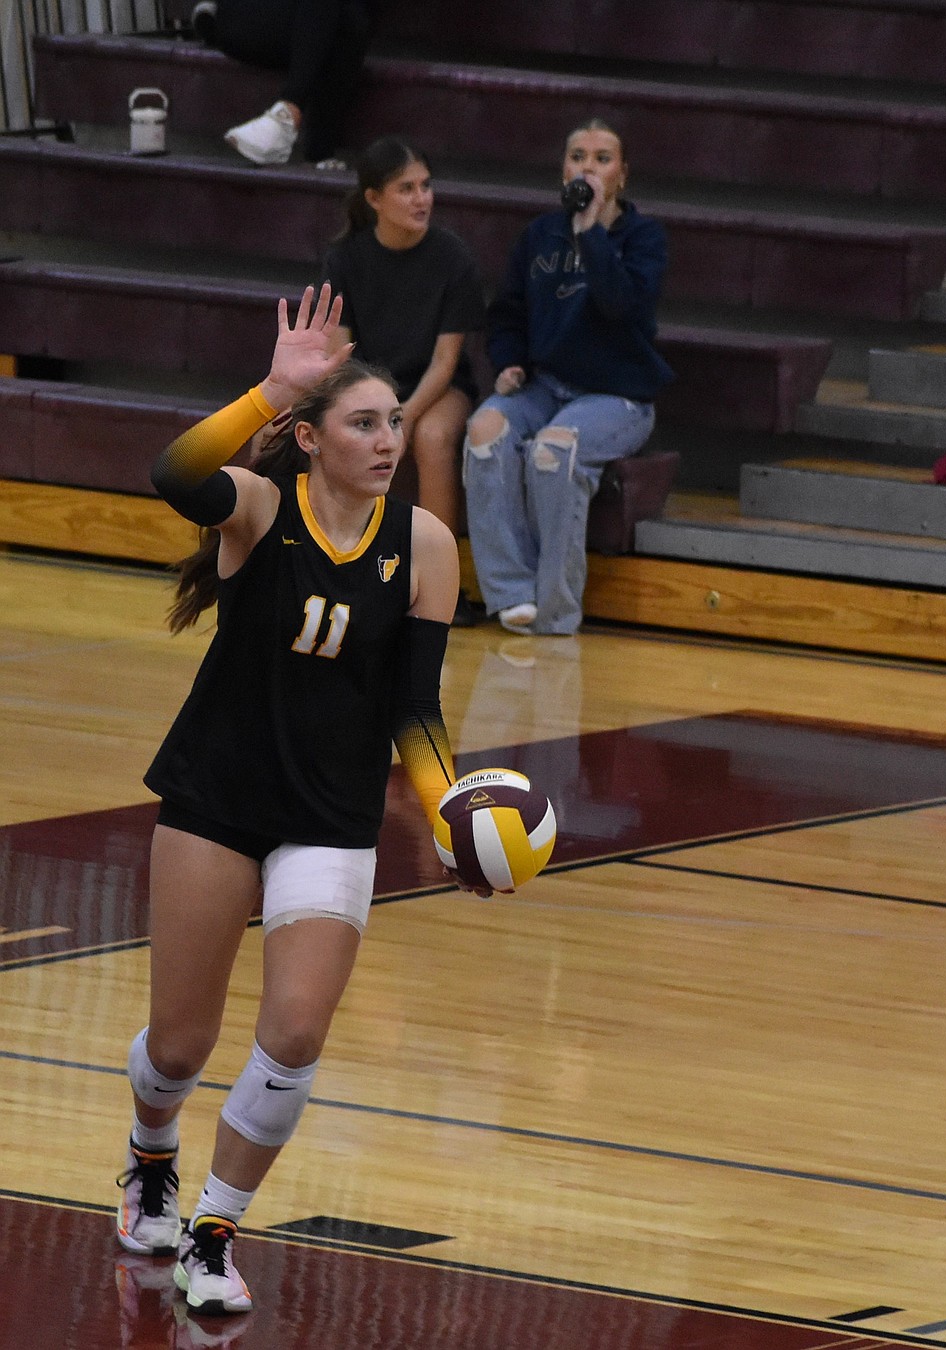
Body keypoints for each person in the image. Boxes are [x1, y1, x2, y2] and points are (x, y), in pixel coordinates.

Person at [115, 285, 477, 1317]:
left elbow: (415, 709)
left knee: (298, 1029)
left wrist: (451, 813)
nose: (388, 439)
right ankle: (150, 1157)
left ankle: (214, 1233)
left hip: (329, 815)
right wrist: (264, 392)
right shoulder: (264, 509)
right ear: (310, 440)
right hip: (218, 794)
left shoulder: (428, 547)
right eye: (364, 422)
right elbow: (172, 473)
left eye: (396, 422)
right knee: (179, 1045)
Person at [463, 118, 673, 636]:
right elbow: (507, 311)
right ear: (564, 169)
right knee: (485, 430)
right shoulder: (538, 235)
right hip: (545, 386)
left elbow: (622, 307)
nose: (589, 166)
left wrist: (593, 234)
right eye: (578, 156)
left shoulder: (643, 238)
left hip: (616, 396)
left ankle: (556, 610)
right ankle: (511, 592)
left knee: (554, 450)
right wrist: (509, 360)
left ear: (621, 175)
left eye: (602, 158)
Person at [321, 137, 486, 624]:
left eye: (426, 186)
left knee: (433, 437)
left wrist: (403, 417)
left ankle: (443, 590)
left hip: (437, 389)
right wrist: (374, 412)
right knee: (331, 434)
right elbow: (339, 353)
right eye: (407, 189)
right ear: (374, 199)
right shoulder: (346, 258)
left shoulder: (453, 257)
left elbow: (445, 360)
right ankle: (338, 574)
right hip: (366, 386)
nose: (422, 198)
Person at [191, 0, 380, 168]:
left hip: (316, 20)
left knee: (351, 19)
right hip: (252, 15)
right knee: (348, 20)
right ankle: (296, 122)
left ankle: (289, 120)